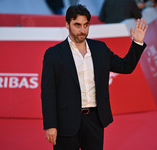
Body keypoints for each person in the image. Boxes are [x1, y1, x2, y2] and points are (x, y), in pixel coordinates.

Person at [41, 4, 148, 150]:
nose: (82, 30)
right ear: (67, 25)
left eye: (86, 25)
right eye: (77, 25)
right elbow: (48, 93)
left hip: (94, 120)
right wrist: (50, 125)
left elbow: (125, 67)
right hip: (66, 122)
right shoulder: (53, 54)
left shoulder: (100, 49)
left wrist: (137, 43)